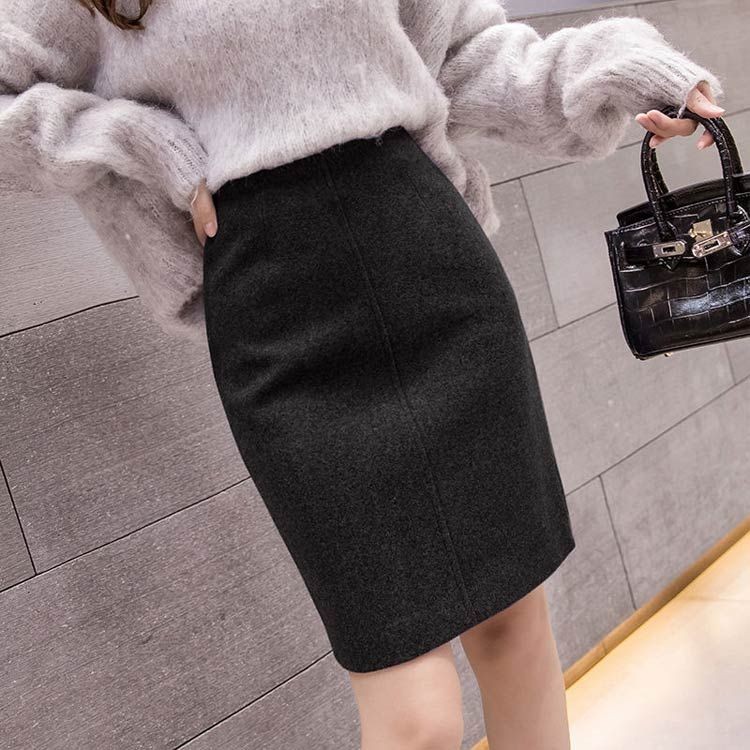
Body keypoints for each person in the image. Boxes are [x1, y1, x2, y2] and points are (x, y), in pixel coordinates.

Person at [0, 1, 726, 748]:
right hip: (275, 313)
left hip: (427, 260)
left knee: (514, 631)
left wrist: (618, 67)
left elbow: (462, 52)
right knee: (416, 718)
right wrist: (135, 140)